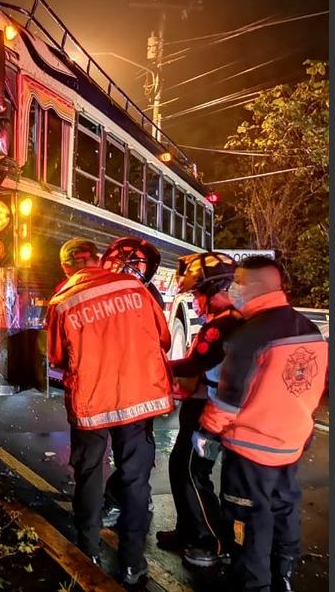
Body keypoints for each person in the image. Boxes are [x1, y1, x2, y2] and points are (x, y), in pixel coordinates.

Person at [194, 256, 328, 591]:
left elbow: (229, 400)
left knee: (247, 519)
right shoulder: (308, 328)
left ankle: (253, 583)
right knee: (284, 507)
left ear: (254, 286)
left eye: (237, 282)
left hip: (250, 449)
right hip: (291, 442)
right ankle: (283, 573)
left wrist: (206, 433)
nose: (232, 288)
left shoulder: (248, 335)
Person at [46, 238, 174, 585]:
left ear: (66, 266)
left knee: (89, 474)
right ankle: (132, 563)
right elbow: (163, 338)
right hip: (138, 398)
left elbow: (57, 358)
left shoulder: (62, 301)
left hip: (92, 403)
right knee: (135, 480)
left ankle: (87, 550)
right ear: (98, 259)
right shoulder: (135, 288)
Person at [154, 253, 243, 569]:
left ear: (215, 289)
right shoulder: (227, 320)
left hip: (211, 412)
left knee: (194, 471)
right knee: (181, 466)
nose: (195, 301)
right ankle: (189, 530)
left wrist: (158, 365)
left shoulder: (225, 324)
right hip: (203, 405)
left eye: (198, 293)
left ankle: (212, 542)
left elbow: (195, 363)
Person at [97, 237, 165, 528]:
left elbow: (159, 341)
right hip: (117, 388)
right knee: (128, 452)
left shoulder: (147, 298)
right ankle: (134, 499)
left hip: (136, 390)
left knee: (133, 454)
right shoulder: (108, 293)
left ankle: (122, 503)